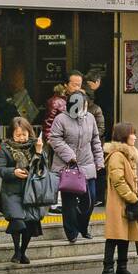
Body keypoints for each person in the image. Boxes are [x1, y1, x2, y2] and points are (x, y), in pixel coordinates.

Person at [48, 88, 104, 243]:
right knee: (69, 202)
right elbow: (54, 139)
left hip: (87, 164)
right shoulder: (61, 119)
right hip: (68, 167)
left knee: (90, 200)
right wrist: (70, 156)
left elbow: (95, 141)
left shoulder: (90, 118)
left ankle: (82, 226)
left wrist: (99, 161)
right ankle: (71, 231)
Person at [0, 116, 50, 264]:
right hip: (11, 191)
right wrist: (13, 172)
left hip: (32, 192)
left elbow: (42, 168)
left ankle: (22, 252)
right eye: (17, 135)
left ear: (29, 132)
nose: (21, 138)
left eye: (24, 134)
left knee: (30, 223)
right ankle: (16, 250)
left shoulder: (36, 146)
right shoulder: (5, 148)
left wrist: (39, 152)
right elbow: (0, 169)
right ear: (11, 134)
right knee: (17, 220)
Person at [102, 122, 138, 274]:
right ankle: (107, 268)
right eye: (132, 133)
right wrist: (134, 198)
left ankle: (122, 266)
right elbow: (118, 181)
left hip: (126, 200)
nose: (135, 137)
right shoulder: (117, 156)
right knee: (114, 235)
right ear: (124, 135)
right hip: (118, 201)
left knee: (124, 234)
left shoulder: (127, 154)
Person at [84, 70, 107, 203]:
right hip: (94, 145)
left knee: (96, 171)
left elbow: (101, 129)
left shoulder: (96, 110)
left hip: (93, 145)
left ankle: (96, 197)